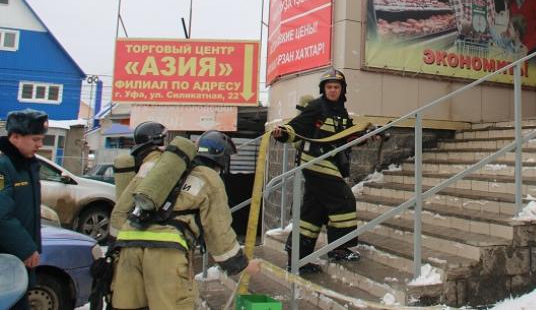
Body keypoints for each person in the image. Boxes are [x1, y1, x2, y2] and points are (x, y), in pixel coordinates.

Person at [110, 131, 259, 310]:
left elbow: (121, 209)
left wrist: (115, 248)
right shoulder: (210, 179)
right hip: (165, 254)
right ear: (221, 158)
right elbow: (218, 230)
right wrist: (240, 265)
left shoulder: (155, 167)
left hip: (128, 247)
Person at [272, 68, 366, 275]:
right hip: (315, 161)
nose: (333, 90)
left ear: (342, 90)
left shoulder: (340, 110)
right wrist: (282, 133)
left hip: (328, 162)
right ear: (323, 89)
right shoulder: (316, 107)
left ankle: (297, 259)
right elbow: (296, 127)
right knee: (343, 199)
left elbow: (344, 136)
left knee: (313, 213)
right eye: (329, 87)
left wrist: (367, 135)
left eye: (336, 87)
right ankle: (339, 248)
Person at [0, 109, 49, 310]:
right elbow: (2, 214)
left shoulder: (28, 166)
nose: (40, 145)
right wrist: (26, 247)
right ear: (15, 137)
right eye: (35, 139)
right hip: (6, 260)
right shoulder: (4, 167)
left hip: (19, 260)